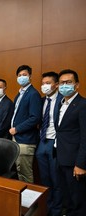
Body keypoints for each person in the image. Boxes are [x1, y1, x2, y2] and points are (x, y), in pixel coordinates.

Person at [55, 69, 86, 215]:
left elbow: (85, 137)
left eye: (69, 82)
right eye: (62, 83)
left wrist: (80, 164)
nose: (64, 85)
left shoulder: (82, 105)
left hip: (74, 162)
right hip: (61, 158)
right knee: (66, 196)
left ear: (77, 85)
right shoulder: (61, 104)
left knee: (77, 200)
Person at [35, 72, 63, 216]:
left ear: (56, 85)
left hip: (56, 143)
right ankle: (46, 208)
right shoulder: (41, 100)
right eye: (43, 83)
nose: (44, 86)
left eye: (48, 83)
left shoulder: (62, 100)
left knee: (56, 179)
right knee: (45, 179)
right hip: (42, 142)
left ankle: (56, 211)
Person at [9, 65, 42, 183]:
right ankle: (23, 198)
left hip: (26, 140)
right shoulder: (20, 94)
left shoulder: (33, 94)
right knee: (19, 170)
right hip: (17, 139)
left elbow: (35, 118)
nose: (22, 77)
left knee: (25, 173)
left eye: (24, 75)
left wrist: (17, 129)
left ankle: (30, 200)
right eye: (19, 75)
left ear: (30, 76)